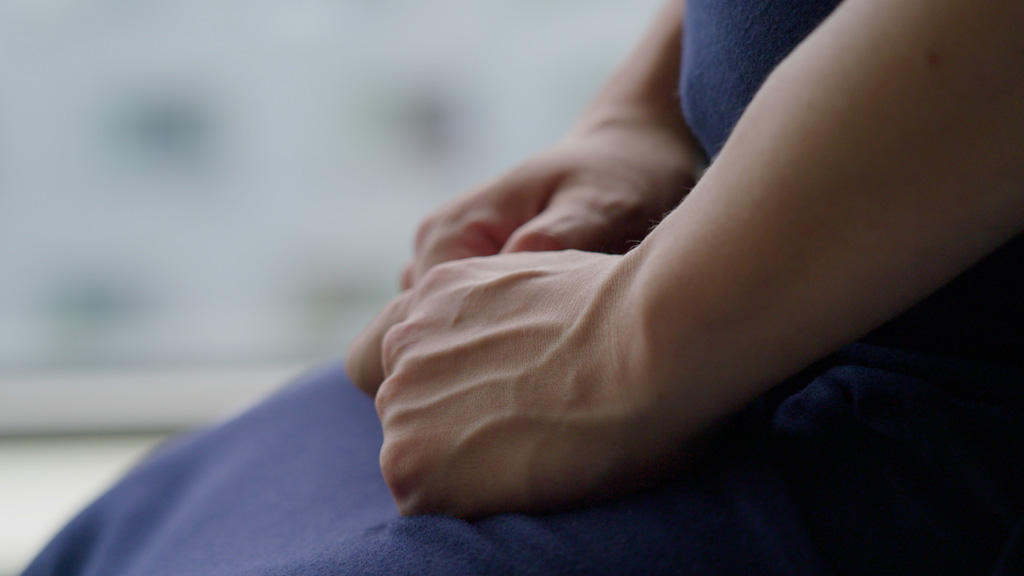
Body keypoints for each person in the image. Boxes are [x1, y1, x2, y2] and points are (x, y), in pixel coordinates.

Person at [22, 0, 1024, 574]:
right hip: (727, 289)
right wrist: (641, 124)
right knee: (155, 514)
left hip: (947, 427)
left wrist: (635, 340)